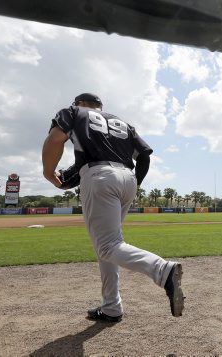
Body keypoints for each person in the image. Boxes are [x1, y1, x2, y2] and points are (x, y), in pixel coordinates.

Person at [41, 93, 184, 322]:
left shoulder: (74, 112)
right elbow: (145, 156)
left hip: (99, 176)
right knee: (108, 245)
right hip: (128, 178)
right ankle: (111, 307)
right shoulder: (123, 123)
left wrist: (49, 173)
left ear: (80, 103)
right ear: (100, 106)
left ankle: (162, 271)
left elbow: (56, 138)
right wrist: (135, 183)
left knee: (107, 246)